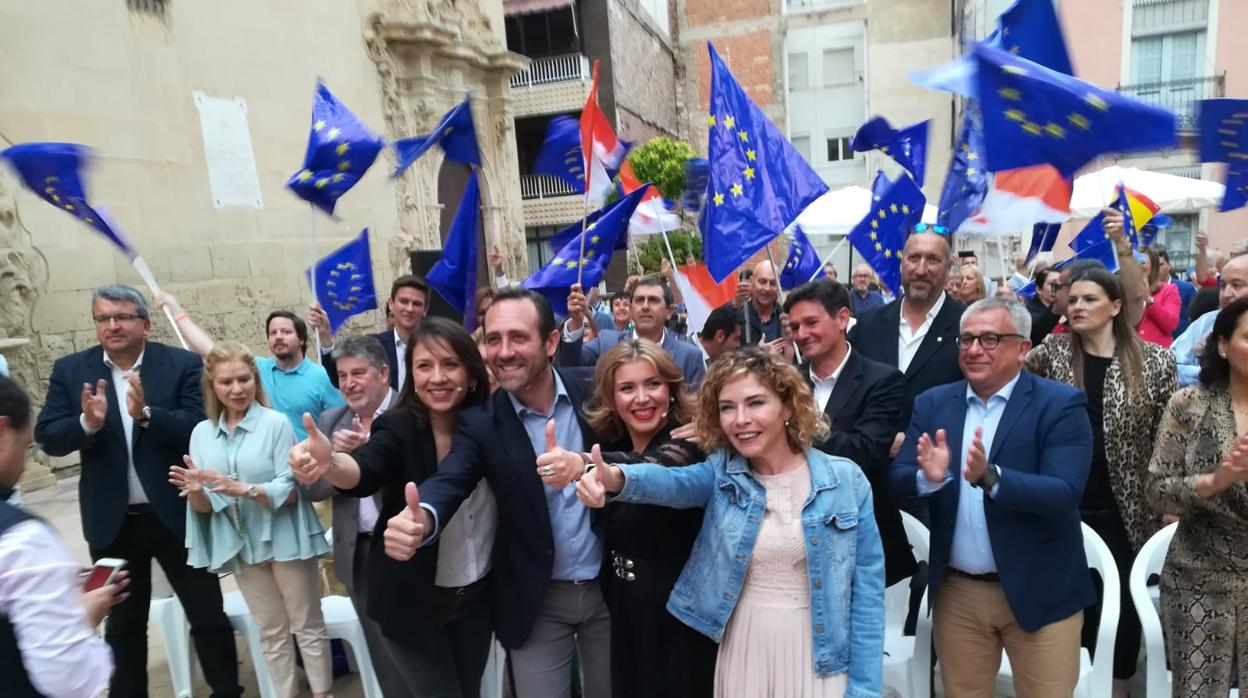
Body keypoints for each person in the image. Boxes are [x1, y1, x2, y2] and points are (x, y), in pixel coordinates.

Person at [576, 348, 885, 697]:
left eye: (755, 403)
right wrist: (613, 477)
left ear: (787, 406)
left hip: (819, 654)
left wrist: (865, 688)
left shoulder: (845, 481)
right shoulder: (723, 475)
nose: (740, 419)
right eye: (727, 408)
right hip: (743, 649)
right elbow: (669, 483)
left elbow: (867, 597)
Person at [378, 288, 610, 698]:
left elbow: (647, 432)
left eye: (518, 337)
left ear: (551, 342)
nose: (503, 351)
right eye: (493, 339)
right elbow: (453, 477)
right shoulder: (482, 423)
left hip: (611, 591)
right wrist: (424, 517)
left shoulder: (595, 391)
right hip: (537, 603)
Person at [34, 285, 241, 697]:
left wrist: (146, 415)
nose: (111, 325)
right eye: (102, 318)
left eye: (122, 316)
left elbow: (198, 427)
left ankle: (226, 690)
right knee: (124, 625)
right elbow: (48, 437)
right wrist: (87, 424)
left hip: (177, 513)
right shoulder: (71, 370)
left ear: (145, 323)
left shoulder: (179, 364)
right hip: (113, 522)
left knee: (207, 614)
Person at [891, 297, 1095, 697]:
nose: (973, 349)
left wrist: (992, 478)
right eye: (966, 339)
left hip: (1042, 591)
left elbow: (1064, 491)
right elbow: (897, 479)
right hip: (960, 593)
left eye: (989, 339)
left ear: (1023, 348)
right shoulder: (933, 403)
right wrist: (927, 479)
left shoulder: (1059, 404)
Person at [289, 318, 496, 696]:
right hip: (411, 603)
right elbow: (367, 467)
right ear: (409, 372)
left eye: (450, 364)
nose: (437, 377)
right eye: (424, 366)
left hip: (476, 601)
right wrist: (331, 462)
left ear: (470, 371)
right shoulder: (398, 427)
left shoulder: (489, 424)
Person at [1024, 266, 1176, 694]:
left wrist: (1168, 502)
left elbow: (1168, 437)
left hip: (1128, 509)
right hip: (1061, 503)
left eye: (1089, 299)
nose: (1077, 307)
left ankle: (1116, 687)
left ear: (1115, 307)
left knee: (1123, 618)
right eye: (1071, 299)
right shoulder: (1049, 354)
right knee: (1072, 615)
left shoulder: (1155, 362)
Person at [170, 341, 332, 698]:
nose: (237, 389)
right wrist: (196, 490)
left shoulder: (275, 424)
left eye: (244, 379)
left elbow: (288, 491)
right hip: (242, 543)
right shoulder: (201, 434)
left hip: (287, 536)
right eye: (227, 382)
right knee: (270, 630)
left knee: (307, 626)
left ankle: (323, 694)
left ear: (254, 380)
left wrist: (236, 487)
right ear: (212, 385)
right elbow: (203, 507)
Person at [571, 339, 717, 697]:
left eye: (653, 384)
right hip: (625, 610)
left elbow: (658, 471)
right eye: (627, 388)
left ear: (670, 389)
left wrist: (586, 465)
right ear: (611, 396)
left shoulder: (689, 441)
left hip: (679, 619)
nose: (642, 398)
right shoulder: (613, 441)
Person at [784, 279, 916, 587]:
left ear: (842, 318)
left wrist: (792, 427)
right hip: (795, 543)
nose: (802, 334)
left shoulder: (882, 380)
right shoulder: (786, 383)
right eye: (794, 327)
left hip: (860, 544)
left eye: (811, 322)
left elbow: (863, 452)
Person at [1148, 296, 1248, 697]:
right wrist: (1214, 481)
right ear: (1222, 345)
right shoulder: (1190, 404)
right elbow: (1157, 491)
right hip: (1199, 575)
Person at [297, 334, 407, 696]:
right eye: (342, 376)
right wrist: (332, 466)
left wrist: (370, 460)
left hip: (408, 548)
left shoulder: (410, 413)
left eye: (358, 373)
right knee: (380, 647)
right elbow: (311, 491)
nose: (349, 383)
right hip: (358, 552)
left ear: (384, 373)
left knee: (417, 645)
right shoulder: (330, 421)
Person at [0, 374, 122, 697]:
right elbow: (70, 679)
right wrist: (81, 614)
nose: (24, 467)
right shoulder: (21, 540)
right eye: (24, 447)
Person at [849, 227, 966, 429]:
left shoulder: (968, 327)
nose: (921, 270)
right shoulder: (867, 324)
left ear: (948, 267)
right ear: (902, 264)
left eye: (933, 260)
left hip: (937, 454)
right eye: (914, 258)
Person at [562, 276, 707, 386]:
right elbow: (569, 364)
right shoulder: (607, 342)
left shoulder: (689, 357)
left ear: (669, 311)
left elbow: (697, 413)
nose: (645, 306)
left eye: (653, 300)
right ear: (631, 309)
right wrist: (576, 322)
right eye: (639, 300)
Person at [313, 274, 430, 390]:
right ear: (391, 304)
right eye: (404, 301)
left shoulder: (435, 346)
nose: (409, 309)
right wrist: (325, 336)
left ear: (425, 310)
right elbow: (338, 377)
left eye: (417, 304)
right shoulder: (373, 345)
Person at [1171, 253, 1248, 386]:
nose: (1226, 294)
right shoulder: (1206, 322)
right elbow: (1171, 362)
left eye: (1237, 285)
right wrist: (1206, 373)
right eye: (1223, 286)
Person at [1137, 247, 1181, 347]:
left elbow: (1171, 324)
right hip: (1130, 354)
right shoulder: (1125, 291)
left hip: (1157, 355)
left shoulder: (1169, 290)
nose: (1138, 266)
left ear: (1154, 266)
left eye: (1142, 262)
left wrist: (1148, 299)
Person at [734, 260, 783, 343]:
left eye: (773, 283)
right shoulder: (738, 315)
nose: (767, 288)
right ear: (751, 282)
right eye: (762, 282)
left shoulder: (786, 318)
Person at [1157, 248, 1198, 339]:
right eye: (1154, 265)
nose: (1158, 269)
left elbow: (1196, 315)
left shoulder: (1186, 288)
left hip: (1181, 341)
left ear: (1169, 265)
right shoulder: (1146, 291)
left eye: (1161, 264)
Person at [1026, 266, 1062, 345]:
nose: (1057, 288)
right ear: (1039, 289)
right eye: (1052, 284)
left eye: (1061, 285)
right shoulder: (1028, 313)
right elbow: (1038, 332)